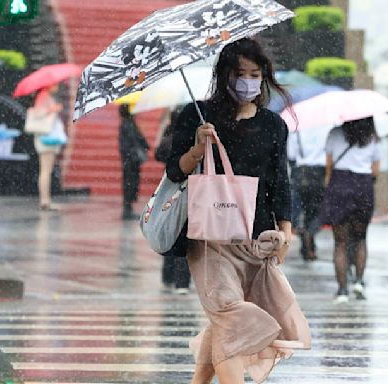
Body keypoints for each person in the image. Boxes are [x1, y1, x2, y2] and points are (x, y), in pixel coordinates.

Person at [166, 38, 310, 384]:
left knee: (224, 323)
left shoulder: (273, 125)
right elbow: (175, 170)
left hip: (256, 237)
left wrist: (286, 229)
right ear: (224, 76)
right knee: (230, 315)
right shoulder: (196, 115)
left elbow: (279, 180)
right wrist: (198, 148)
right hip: (208, 235)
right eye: (239, 73)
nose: (247, 80)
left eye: (254, 73)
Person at [320, 117, 381, 304]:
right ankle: (359, 281)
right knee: (361, 238)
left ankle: (342, 291)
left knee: (340, 242)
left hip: (339, 184)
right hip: (363, 186)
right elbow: (375, 171)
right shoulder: (373, 138)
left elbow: (328, 165)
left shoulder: (334, 133)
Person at [155, 106, 191, 294]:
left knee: (169, 235)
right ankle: (182, 281)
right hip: (188, 195)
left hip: (169, 195)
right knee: (183, 237)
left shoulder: (170, 140)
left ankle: (168, 276)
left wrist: (164, 129)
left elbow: (157, 154)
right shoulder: (190, 140)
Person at [287, 128, 328, 260]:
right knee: (316, 211)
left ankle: (305, 238)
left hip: (301, 174)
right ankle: (309, 235)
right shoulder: (327, 127)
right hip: (320, 174)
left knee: (302, 210)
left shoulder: (296, 130)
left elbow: (291, 155)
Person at [33, 85, 66, 211]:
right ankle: (45, 200)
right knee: (45, 170)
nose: (57, 86)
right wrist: (53, 109)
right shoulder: (43, 96)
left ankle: (46, 199)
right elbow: (39, 113)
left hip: (47, 137)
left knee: (47, 169)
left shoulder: (46, 96)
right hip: (45, 138)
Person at [118, 104, 150, 220]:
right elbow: (136, 141)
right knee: (130, 183)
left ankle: (128, 208)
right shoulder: (128, 125)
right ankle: (127, 209)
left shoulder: (128, 124)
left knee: (130, 183)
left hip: (129, 160)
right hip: (131, 160)